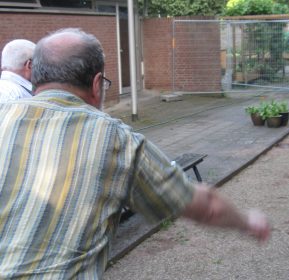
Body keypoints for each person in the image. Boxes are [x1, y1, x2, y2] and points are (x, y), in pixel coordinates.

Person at [0, 28, 270, 279]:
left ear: (35, 75)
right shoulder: (115, 139)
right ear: (96, 84)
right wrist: (246, 221)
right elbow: (205, 206)